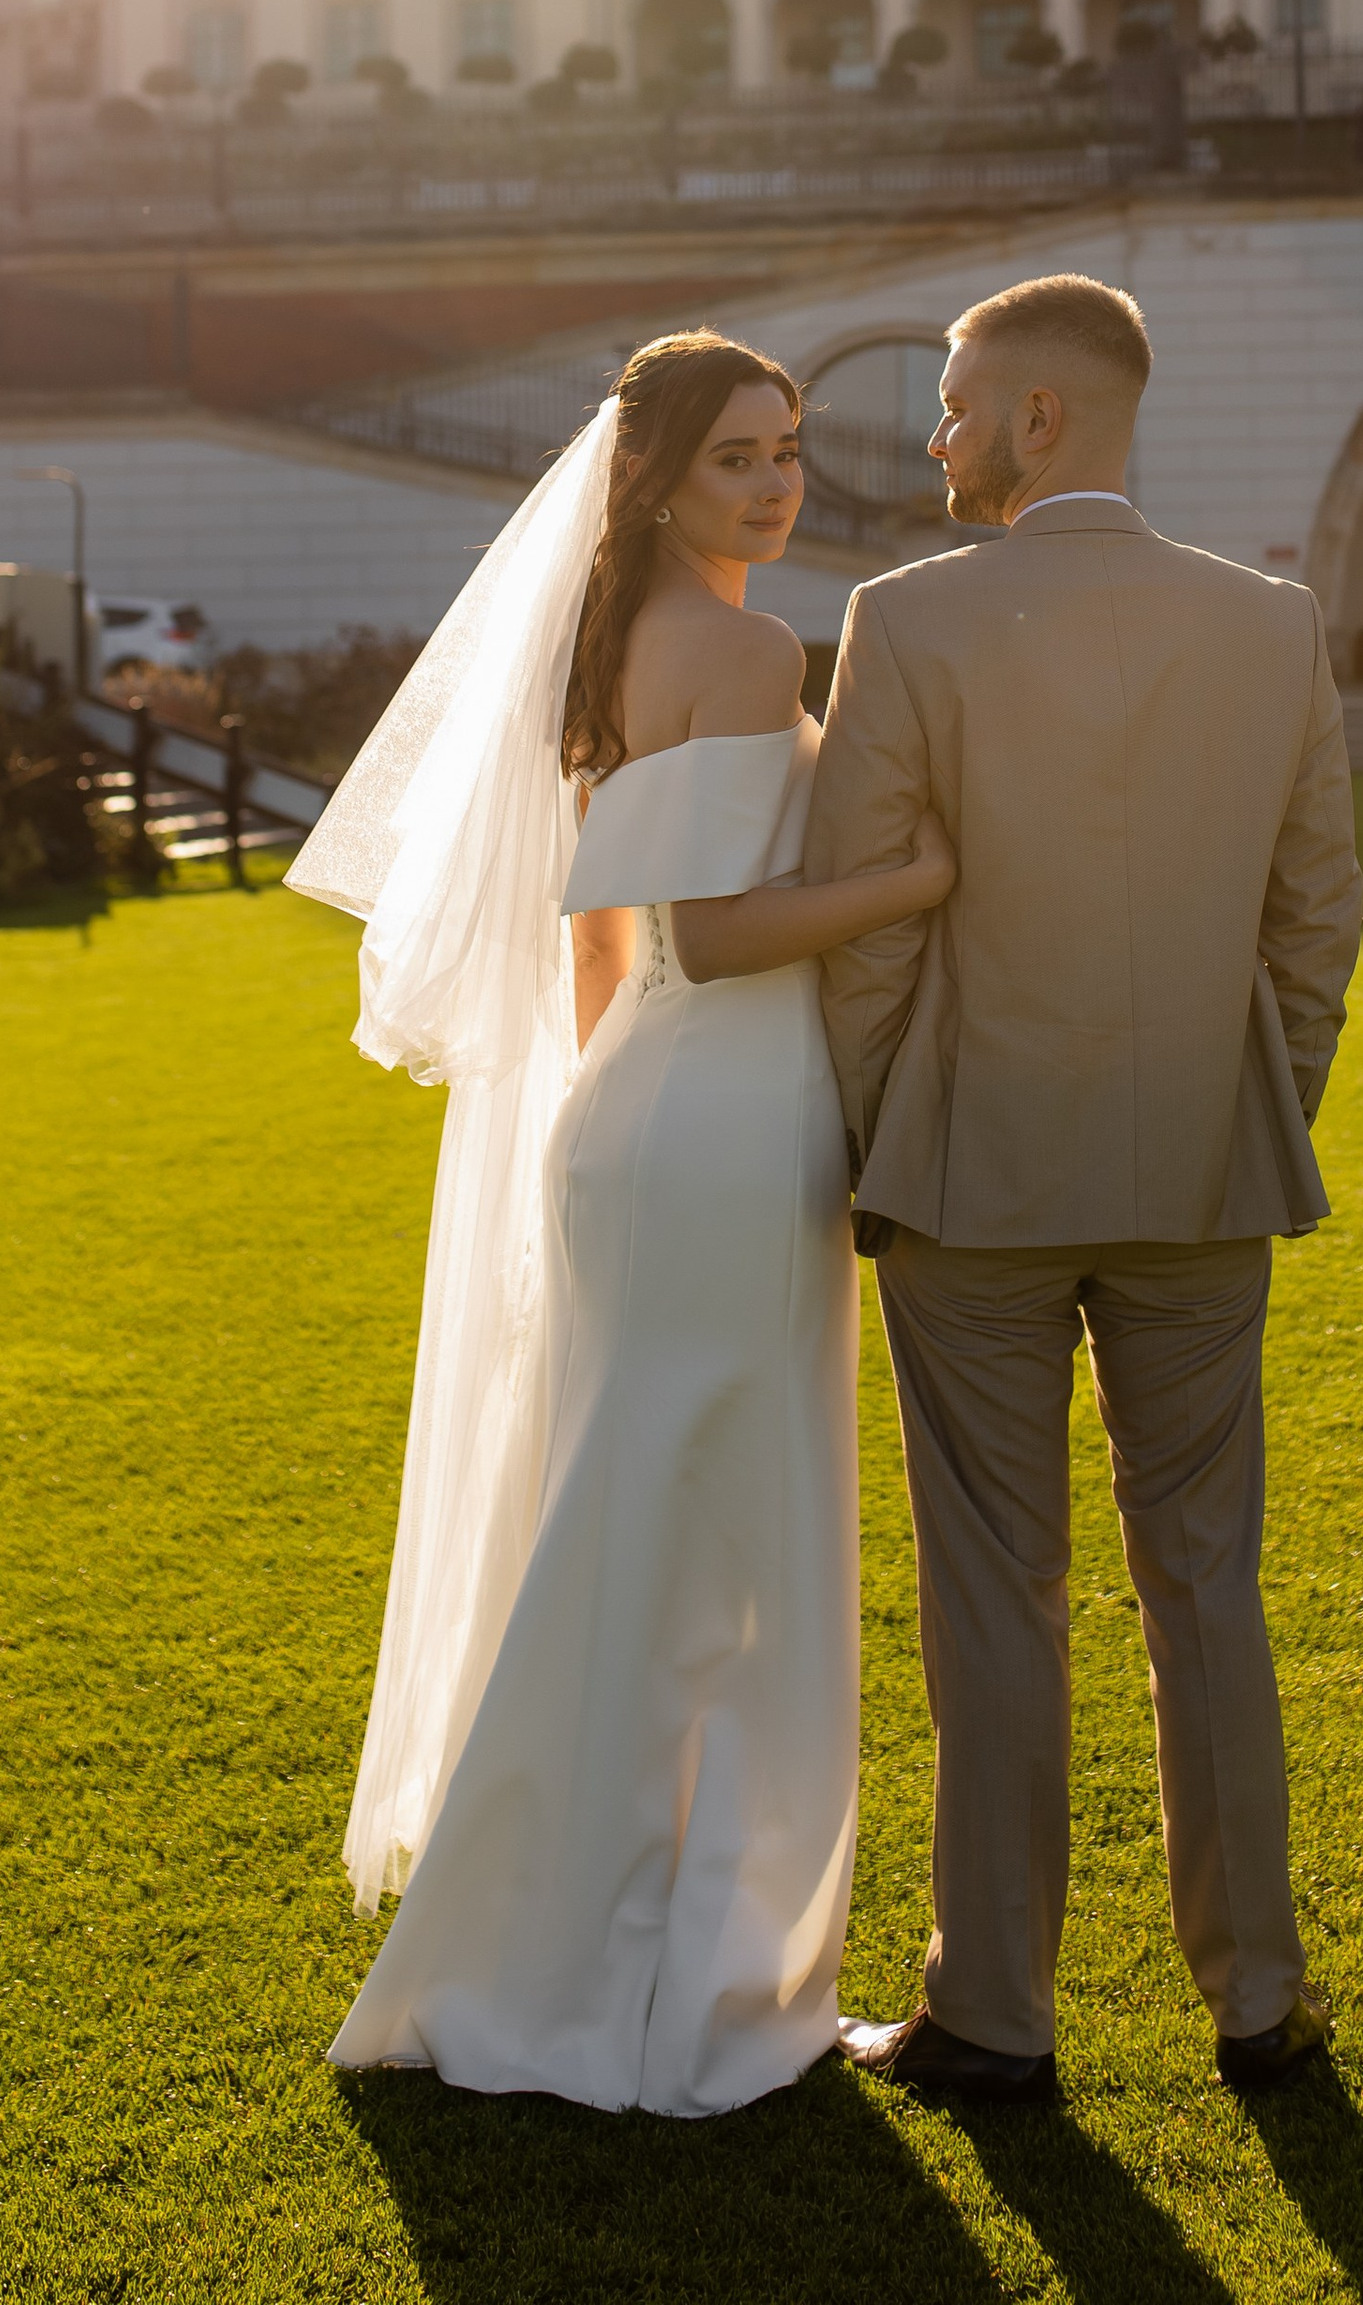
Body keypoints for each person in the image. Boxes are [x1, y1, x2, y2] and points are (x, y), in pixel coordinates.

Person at [289, 331, 953, 2114]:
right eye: (739, 455)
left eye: (791, 446)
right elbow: (715, 935)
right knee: (721, 1559)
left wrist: (603, 1114)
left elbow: (605, 951)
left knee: (638, 1542)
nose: (778, 480)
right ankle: (672, 1974)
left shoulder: (611, 649)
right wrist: (919, 874)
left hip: (641, 1117)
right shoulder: (741, 648)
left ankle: (588, 1941)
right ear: (654, 480)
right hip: (728, 1118)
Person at [806, 272, 1362, 2106]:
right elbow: (1315, 924)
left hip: (973, 1180)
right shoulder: (1273, 627)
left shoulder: (904, 621)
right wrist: (1244, 1097)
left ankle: (995, 2015)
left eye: (958, 401)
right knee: (1210, 1584)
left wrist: (883, 1130)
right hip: (1207, 1171)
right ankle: (1258, 2000)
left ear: (1043, 418)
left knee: (995, 1599)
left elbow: (868, 933)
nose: (939, 430)